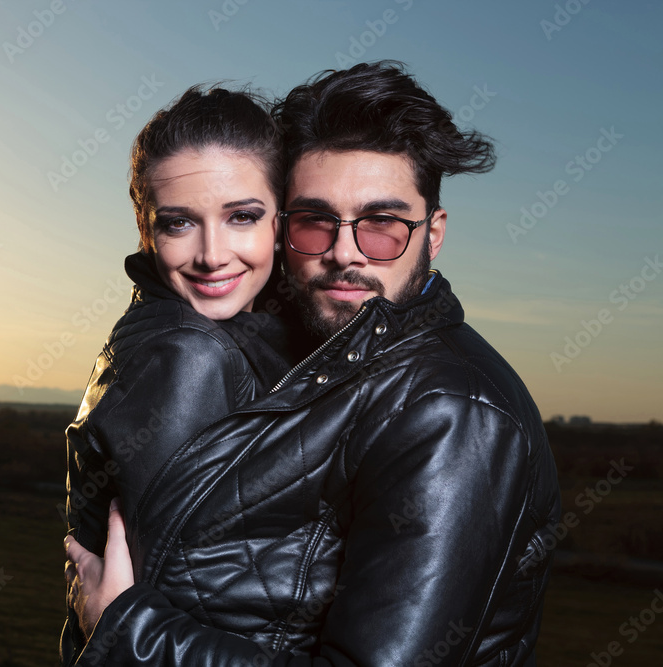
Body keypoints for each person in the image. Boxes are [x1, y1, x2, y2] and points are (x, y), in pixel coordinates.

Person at [66, 61, 562, 666]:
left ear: (433, 235)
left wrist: (127, 631)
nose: (345, 253)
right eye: (316, 222)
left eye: (383, 225)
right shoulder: (314, 351)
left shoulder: (452, 413)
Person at [60, 85, 296, 664]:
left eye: (242, 216)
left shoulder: (244, 337)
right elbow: (172, 609)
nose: (213, 254)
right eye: (179, 224)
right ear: (147, 230)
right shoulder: (187, 356)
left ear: (280, 221)